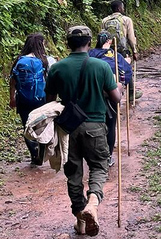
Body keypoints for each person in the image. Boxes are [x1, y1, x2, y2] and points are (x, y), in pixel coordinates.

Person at [46, 25, 122, 237]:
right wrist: (120, 87)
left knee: (73, 173)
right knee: (99, 166)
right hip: (95, 125)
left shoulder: (57, 69)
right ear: (90, 42)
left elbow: (49, 103)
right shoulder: (101, 66)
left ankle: (80, 218)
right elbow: (116, 99)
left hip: (68, 128)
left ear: (67, 43)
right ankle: (94, 202)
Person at [8, 33, 56, 165]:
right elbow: (53, 80)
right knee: (41, 126)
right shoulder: (47, 60)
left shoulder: (19, 60)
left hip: (22, 100)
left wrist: (12, 98)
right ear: (41, 45)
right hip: (41, 100)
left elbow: (12, 81)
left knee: (26, 126)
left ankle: (34, 154)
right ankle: (41, 150)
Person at [88, 31, 132, 167]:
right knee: (111, 125)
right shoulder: (116, 56)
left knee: (94, 123)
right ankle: (108, 156)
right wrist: (122, 86)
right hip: (112, 94)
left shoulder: (89, 54)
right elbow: (127, 74)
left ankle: (93, 154)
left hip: (93, 94)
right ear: (110, 42)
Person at [101, 0, 140, 102]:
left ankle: (110, 91)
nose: (123, 9)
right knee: (126, 68)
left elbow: (102, 36)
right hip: (122, 50)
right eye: (122, 7)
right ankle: (131, 93)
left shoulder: (105, 20)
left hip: (108, 49)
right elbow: (131, 37)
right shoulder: (126, 20)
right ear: (119, 8)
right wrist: (134, 51)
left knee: (111, 69)